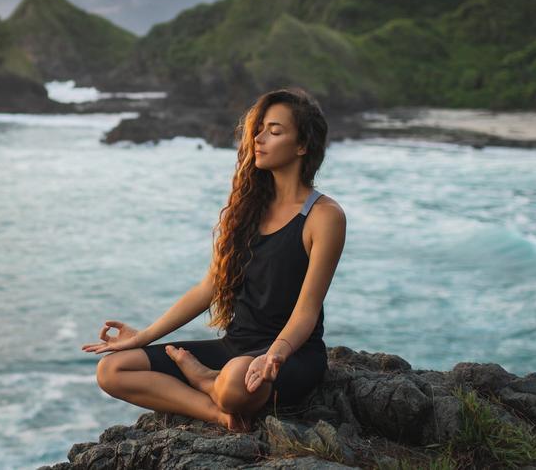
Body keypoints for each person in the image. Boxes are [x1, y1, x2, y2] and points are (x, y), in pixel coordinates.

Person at [82, 87, 346, 432]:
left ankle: (208, 380)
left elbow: (307, 311)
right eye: (259, 129)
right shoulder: (247, 210)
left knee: (237, 378)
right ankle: (220, 413)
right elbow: (210, 287)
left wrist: (274, 355)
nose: (259, 139)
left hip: (291, 357)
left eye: (275, 131)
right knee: (112, 370)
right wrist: (143, 336)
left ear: (302, 146)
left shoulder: (324, 216)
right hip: (234, 347)